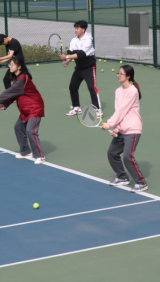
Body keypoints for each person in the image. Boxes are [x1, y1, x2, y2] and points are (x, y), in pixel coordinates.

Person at [0, 56, 46, 164]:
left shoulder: (23, 78)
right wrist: (5, 105)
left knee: (30, 131)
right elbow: (14, 94)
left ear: (19, 67)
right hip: (25, 109)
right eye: (9, 64)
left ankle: (40, 156)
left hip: (35, 108)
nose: (10, 66)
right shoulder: (18, 79)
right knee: (18, 127)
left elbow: (9, 92)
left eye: (12, 65)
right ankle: (26, 152)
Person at [101, 65, 147, 193]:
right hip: (122, 129)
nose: (118, 75)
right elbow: (119, 111)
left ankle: (141, 183)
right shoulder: (118, 91)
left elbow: (122, 110)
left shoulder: (133, 91)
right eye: (118, 73)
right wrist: (116, 128)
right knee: (112, 153)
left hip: (133, 129)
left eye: (121, 74)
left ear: (128, 76)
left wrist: (109, 124)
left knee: (127, 156)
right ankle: (122, 177)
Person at [59, 20, 100, 116]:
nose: (75, 30)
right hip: (79, 68)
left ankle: (98, 109)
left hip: (89, 68)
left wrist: (66, 57)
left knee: (92, 88)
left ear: (83, 29)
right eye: (75, 28)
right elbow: (71, 53)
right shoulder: (74, 40)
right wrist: (67, 61)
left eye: (77, 28)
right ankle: (76, 107)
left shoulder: (88, 40)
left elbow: (81, 54)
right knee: (72, 87)